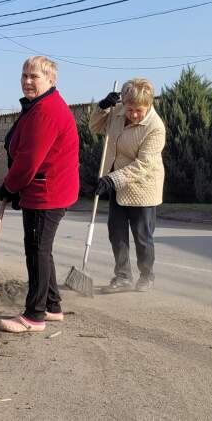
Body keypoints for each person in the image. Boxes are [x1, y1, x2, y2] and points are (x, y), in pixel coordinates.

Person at [0, 56, 80, 333]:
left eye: (35, 76)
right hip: (47, 189)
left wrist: (9, 186)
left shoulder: (45, 110)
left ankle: (34, 315)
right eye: (24, 75)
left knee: (37, 251)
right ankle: (53, 306)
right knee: (42, 249)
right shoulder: (40, 105)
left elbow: (29, 160)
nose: (28, 81)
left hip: (47, 192)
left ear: (51, 80)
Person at [90, 78, 167, 293]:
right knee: (116, 232)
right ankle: (123, 277)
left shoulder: (155, 127)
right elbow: (94, 127)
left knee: (142, 236)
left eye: (138, 110)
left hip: (143, 186)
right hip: (116, 183)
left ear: (149, 104)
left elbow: (144, 165)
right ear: (123, 103)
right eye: (129, 108)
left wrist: (111, 179)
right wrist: (102, 107)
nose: (133, 114)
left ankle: (146, 275)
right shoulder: (117, 113)